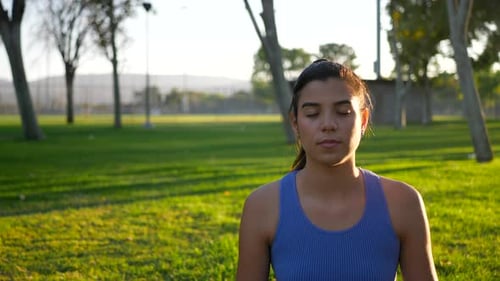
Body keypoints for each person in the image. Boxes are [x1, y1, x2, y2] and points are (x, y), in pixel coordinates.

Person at [236, 59, 438, 281]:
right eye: (312, 113)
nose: (328, 124)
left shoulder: (403, 202)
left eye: (343, 112)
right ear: (295, 122)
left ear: (363, 119)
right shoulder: (262, 206)